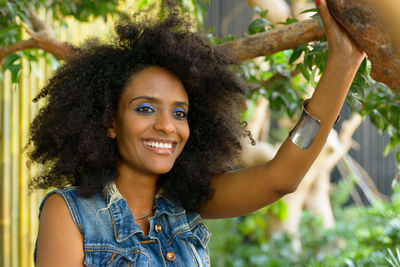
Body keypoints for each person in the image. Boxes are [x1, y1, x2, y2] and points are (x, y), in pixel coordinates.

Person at [31, 0, 365, 266]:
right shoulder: (70, 212)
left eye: (180, 112)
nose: (167, 125)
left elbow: (280, 179)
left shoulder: (185, 201)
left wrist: (343, 63)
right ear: (110, 122)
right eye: (145, 108)